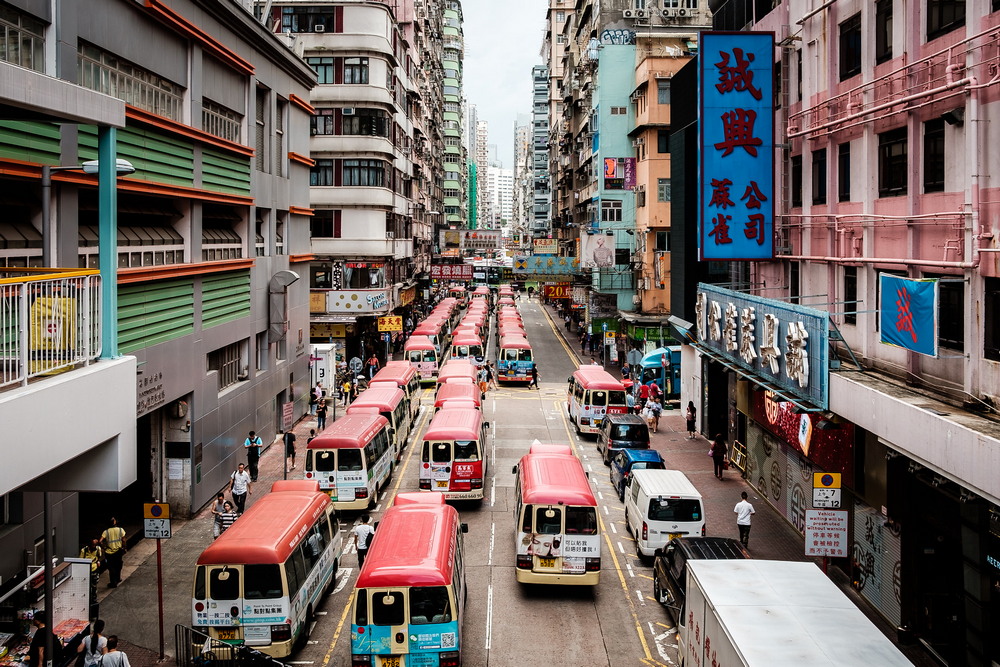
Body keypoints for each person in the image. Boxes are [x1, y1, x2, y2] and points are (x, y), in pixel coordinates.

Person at [101, 517, 126, 588]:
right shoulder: (120, 530)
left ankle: (113, 582)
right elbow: (124, 540)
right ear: (114, 522)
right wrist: (124, 547)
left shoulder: (106, 532)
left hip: (109, 552)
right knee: (118, 565)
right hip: (118, 551)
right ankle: (118, 578)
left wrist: (104, 547)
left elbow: (100, 541)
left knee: (111, 567)